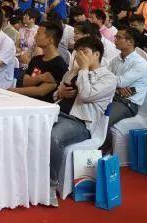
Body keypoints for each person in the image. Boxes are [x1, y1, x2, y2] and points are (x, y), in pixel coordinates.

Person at [49, 36, 117, 202]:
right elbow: (55, 95)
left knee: (52, 137)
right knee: (30, 127)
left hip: (80, 123)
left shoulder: (108, 78)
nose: (80, 56)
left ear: (97, 54)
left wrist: (84, 69)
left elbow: (86, 95)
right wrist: (60, 93)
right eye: (78, 52)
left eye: (84, 52)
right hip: (56, 112)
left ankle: (50, 185)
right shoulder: (72, 72)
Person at [10, 21, 68, 103]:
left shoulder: (59, 65)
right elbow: (26, 82)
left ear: (50, 40)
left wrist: (15, 91)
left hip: (44, 106)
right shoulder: (36, 59)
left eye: (38, 34)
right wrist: (42, 77)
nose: (35, 37)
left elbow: (41, 91)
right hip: (26, 101)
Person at [107, 28, 147, 128]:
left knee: (103, 121)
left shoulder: (139, 63)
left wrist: (116, 85)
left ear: (130, 42)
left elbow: (119, 81)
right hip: (112, 96)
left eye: (119, 37)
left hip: (128, 103)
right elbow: (105, 77)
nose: (115, 40)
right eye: (115, 37)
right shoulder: (116, 59)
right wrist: (117, 88)